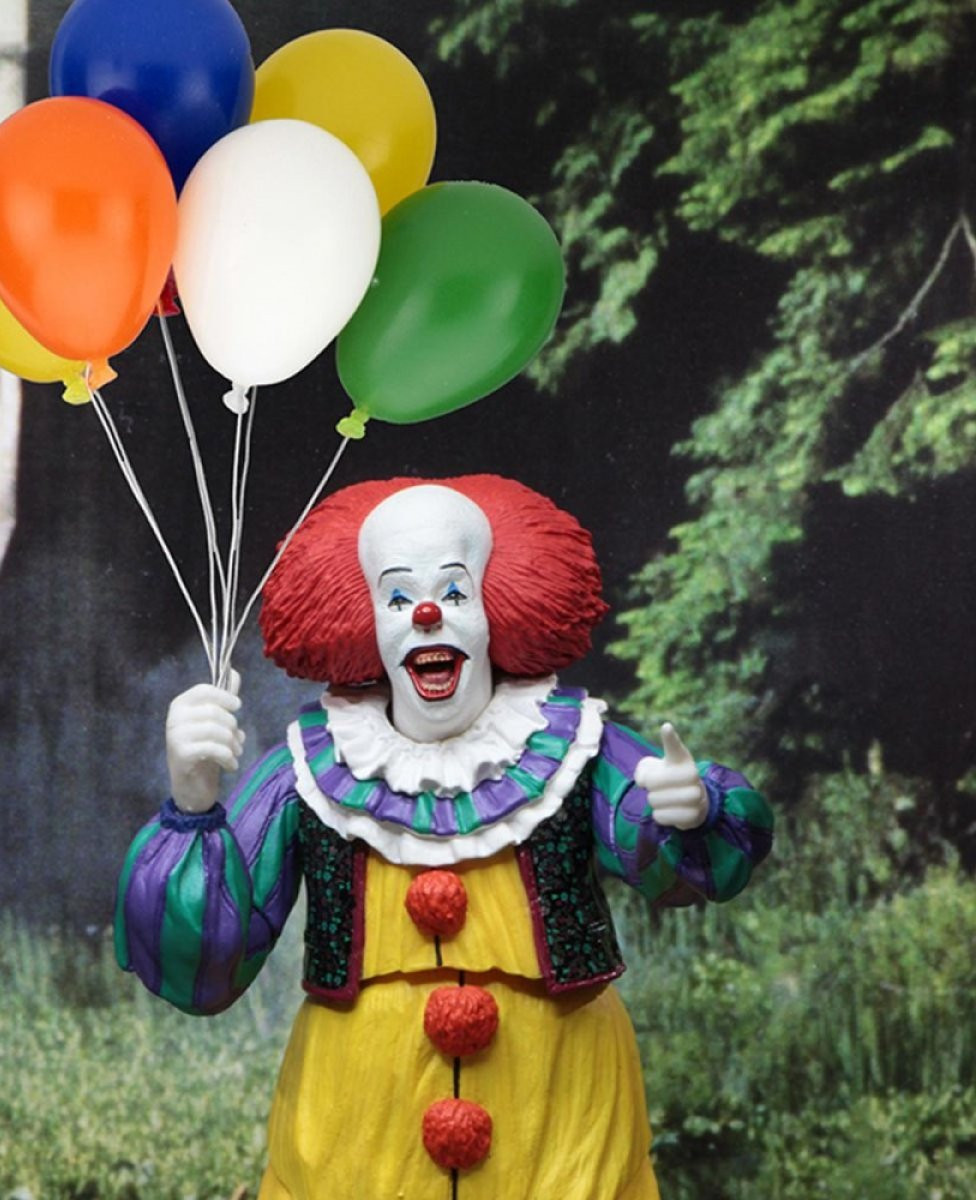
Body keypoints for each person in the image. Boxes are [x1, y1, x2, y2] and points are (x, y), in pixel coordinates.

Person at [114, 475, 773, 1199]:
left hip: (560, 1110)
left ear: (494, 607)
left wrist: (696, 810)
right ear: (367, 620)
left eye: (454, 592)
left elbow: (683, 863)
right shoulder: (306, 770)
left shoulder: (576, 748)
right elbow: (206, 965)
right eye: (398, 597)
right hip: (359, 1123)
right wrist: (192, 801)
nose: (427, 614)